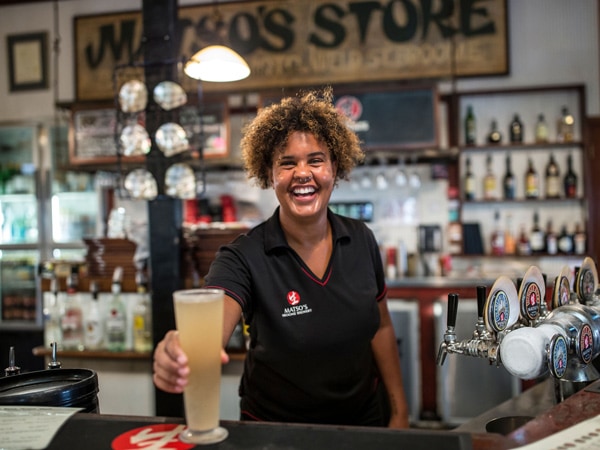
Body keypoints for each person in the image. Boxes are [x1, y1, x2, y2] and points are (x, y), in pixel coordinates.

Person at [153, 87, 410, 429]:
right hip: (275, 431)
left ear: (335, 167)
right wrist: (182, 347)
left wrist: (399, 410)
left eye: (315, 160)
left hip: (362, 424)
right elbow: (213, 316)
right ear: (270, 175)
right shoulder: (243, 256)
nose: (302, 173)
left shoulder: (361, 239)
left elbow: (380, 325)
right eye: (287, 163)